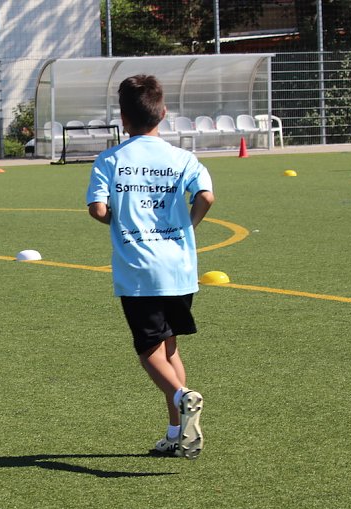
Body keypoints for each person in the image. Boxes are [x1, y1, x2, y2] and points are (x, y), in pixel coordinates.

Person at [85, 74, 215, 460]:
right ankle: (177, 432)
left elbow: (98, 209)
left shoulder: (110, 160)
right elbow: (207, 196)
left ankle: (182, 396)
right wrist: (188, 224)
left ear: (123, 118)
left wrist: (120, 219)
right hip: (179, 267)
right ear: (163, 113)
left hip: (138, 269)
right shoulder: (183, 158)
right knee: (169, 348)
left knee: (148, 349)